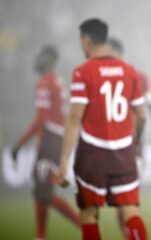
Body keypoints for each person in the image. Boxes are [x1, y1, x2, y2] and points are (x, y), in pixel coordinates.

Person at [58, 18, 147, 240]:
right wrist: (134, 142)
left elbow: (74, 117)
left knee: (89, 213)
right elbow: (142, 116)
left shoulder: (82, 72)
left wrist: (63, 160)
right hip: (123, 150)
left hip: (92, 151)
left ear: (86, 42)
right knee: (130, 209)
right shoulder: (129, 71)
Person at [107, 37, 151, 239]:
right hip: (110, 151)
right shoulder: (110, 77)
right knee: (122, 206)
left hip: (128, 150)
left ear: (119, 53)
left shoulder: (136, 77)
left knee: (127, 205)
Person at [12, 45, 80, 240]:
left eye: (39, 56)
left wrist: (19, 144)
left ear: (48, 59)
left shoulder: (44, 83)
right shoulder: (58, 82)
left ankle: (85, 228)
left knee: (42, 191)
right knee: (42, 189)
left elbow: (41, 120)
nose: (35, 60)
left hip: (50, 138)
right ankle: (40, 235)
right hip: (58, 138)